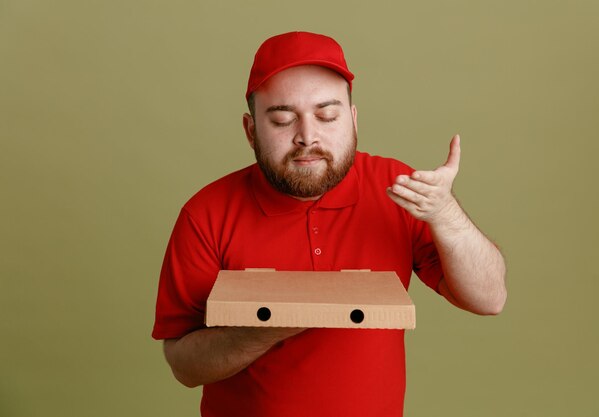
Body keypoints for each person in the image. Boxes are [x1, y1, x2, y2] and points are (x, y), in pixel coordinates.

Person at [152, 31, 507, 417]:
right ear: (251, 130)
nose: (307, 136)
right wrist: (268, 327)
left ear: (353, 120)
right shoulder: (206, 214)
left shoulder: (398, 189)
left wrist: (446, 215)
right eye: (283, 119)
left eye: (327, 115)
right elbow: (184, 366)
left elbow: (489, 299)